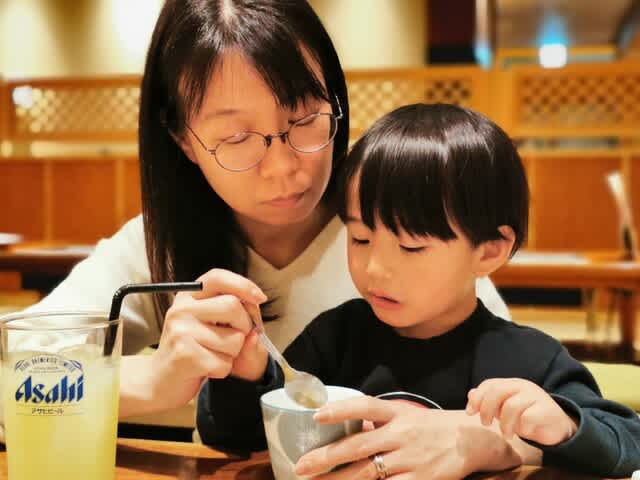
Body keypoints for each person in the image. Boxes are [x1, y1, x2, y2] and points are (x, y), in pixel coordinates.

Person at [1, 1, 508, 439]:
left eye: (304, 119)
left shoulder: (398, 227)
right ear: (183, 140)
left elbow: (518, 390)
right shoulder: (158, 246)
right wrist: (152, 381)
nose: (283, 167)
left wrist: (486, 440)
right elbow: (14, 376)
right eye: (237, 139)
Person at [196, 104, 640, 479]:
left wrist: (563, 425)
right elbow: (238, 437)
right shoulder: (337, 337)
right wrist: (244, 377)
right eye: (360, 238)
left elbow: (627, 442)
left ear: (489, 250)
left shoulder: (528, 358)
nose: (374, 268)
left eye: (410, 246)